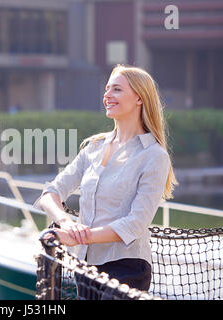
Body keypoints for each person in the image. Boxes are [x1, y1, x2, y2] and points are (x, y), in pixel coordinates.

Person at [34, 64, 178, 297]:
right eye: (107, 89)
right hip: (85, 267)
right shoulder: (93, 147)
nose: (107, 96)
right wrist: (66, 223)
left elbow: (135, 223)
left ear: (139, 98)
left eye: (117, 90)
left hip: (127, 268)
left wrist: (81, 236)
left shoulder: (154, 156)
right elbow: (50, 193)